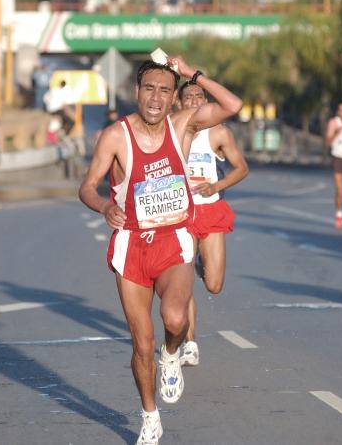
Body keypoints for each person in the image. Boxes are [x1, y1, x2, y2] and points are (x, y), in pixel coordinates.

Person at [79, 56, 242, 444]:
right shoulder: (115, 136)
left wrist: (191, 74)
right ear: (136, 92)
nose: (156, 97)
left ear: (174, 98)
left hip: (173, 238)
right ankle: (150, 416)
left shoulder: (182, 125)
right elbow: (88, 185)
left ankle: (172, 355)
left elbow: (232, 106)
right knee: (141, 342)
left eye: (165, 90)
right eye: (149, 89)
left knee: (172, 318)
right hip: (132, 244)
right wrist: (104, 206)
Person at [176, 81, 249, 366]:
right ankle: (190, 343)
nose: (194, 101)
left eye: (199, 96)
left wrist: (217, 185)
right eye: (188, 97)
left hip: (210, 211)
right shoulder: (172, 132)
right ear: (179, 104)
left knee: (214, 285)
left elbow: (242, 168)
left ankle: (199, 264)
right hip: (180, 215)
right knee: (181, 286)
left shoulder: (218, 133)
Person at [325, 100, 342, 229]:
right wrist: (337, 133)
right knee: (339, 191)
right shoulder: (334, 123)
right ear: (338, 111)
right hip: (338, 158)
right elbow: (328, 142)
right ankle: (339, 214)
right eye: (341, 110)